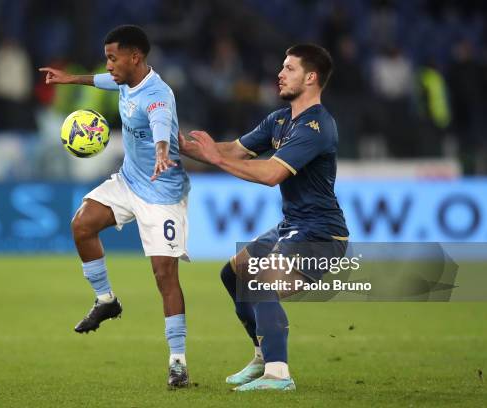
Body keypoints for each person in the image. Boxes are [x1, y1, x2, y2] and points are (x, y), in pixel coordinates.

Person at [180, 44, 348, 391]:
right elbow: (235, 150)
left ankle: (278, 374)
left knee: (260, 280)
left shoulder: (317, 127)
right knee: (235, 272)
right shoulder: (280, 119)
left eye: (289, 68)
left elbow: (272, 174)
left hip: (321, 234)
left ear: (311, 77)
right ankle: (262, 356)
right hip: (293, 226)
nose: (280, 74)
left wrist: (218, 160)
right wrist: (185, 146)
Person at [39, 25, 190, 388]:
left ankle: (178, 361)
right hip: (128, 180)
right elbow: (102, 82)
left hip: (162, 190)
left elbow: (159, 124)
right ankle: (106, 300)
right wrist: (69, 79)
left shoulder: (158, 95)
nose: (108, 65)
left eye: (112, 57)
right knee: (82, 224)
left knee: (164, 276)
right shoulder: (123, 80)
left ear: (135, 57)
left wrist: (162, 151)